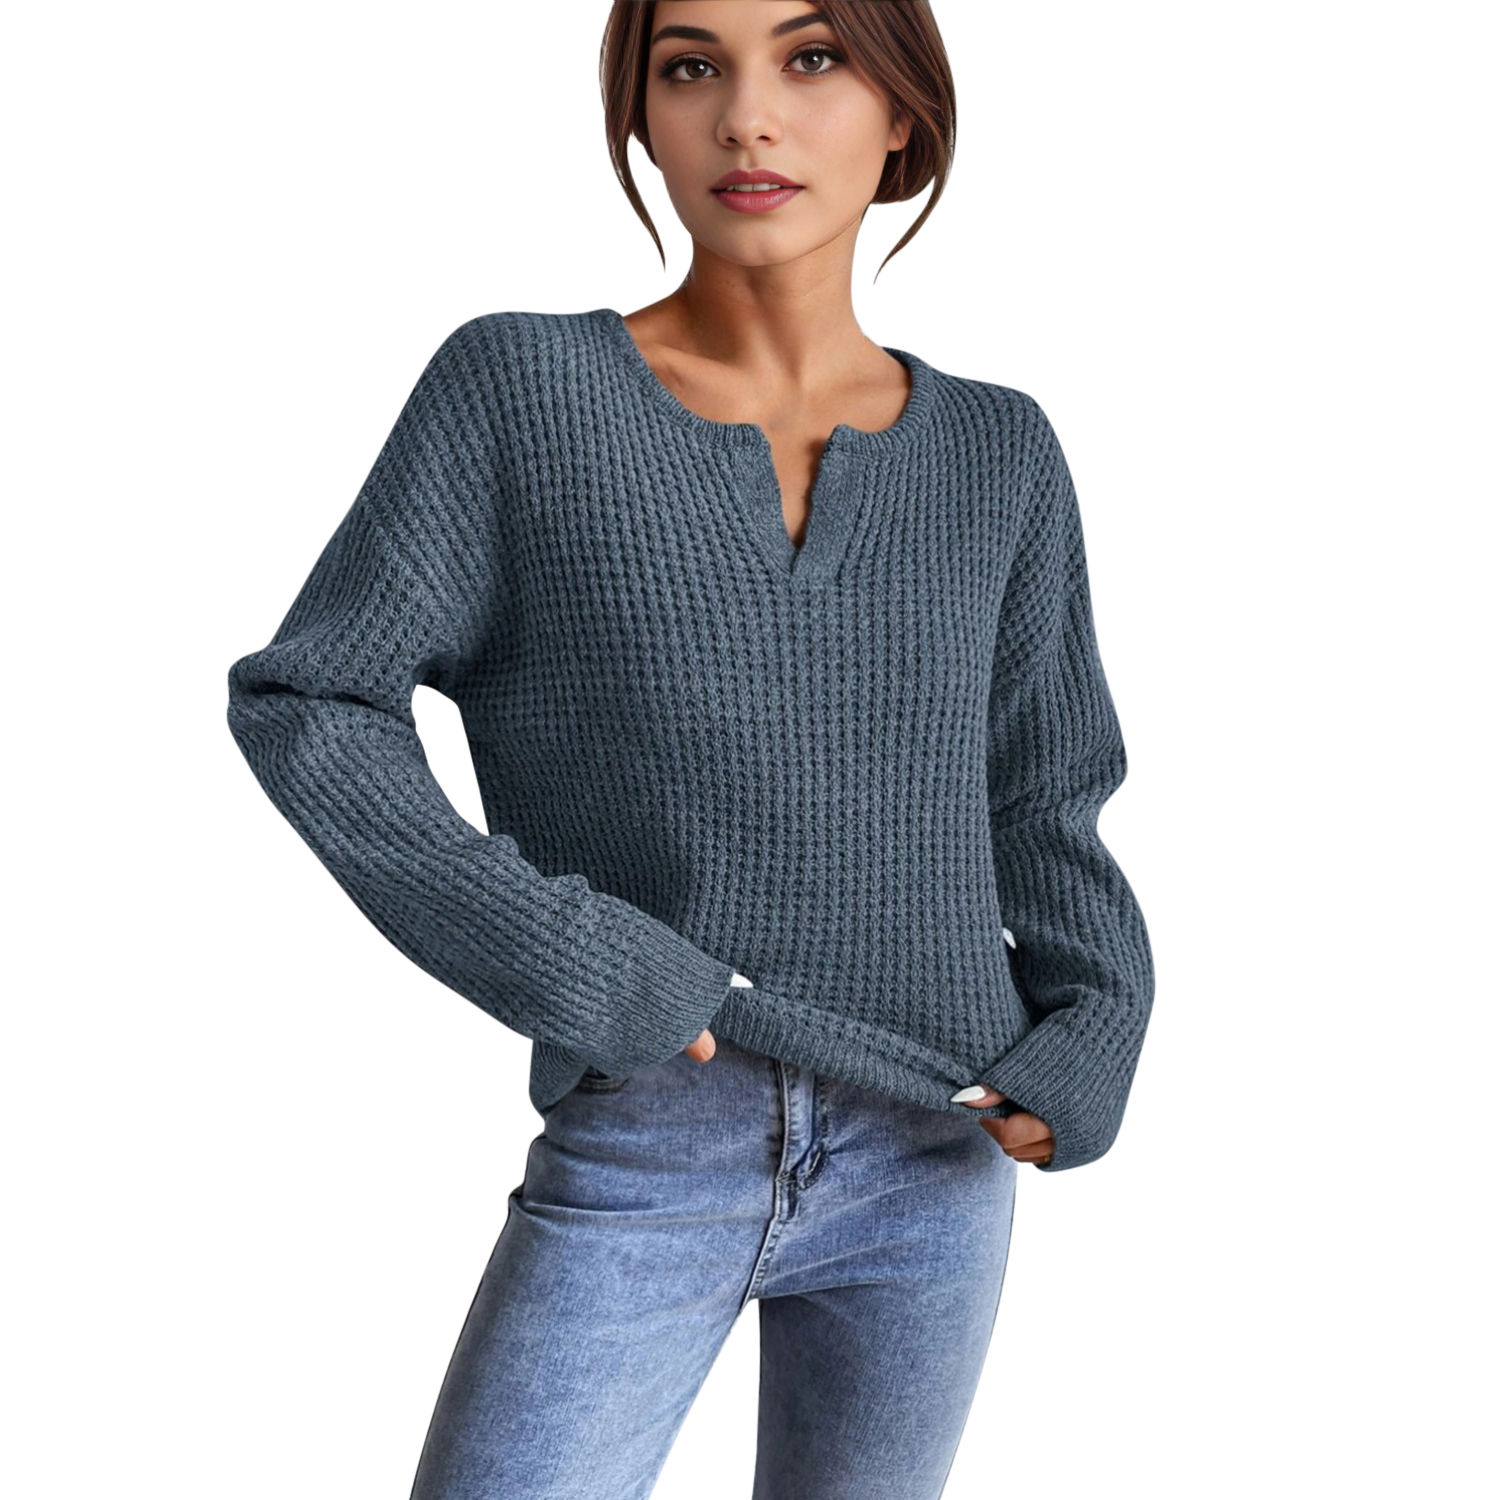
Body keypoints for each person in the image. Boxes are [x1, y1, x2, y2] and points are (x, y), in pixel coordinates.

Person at [225, 3, 1154, 1495]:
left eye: (812, 57)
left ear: (903, 112)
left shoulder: (1000, 452)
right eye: (691, 67)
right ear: (642, 115)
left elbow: (1046, 791)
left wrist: (1098, 1015)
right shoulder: (522, 393)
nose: (746, 116)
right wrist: (568, 953)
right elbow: (312, 702)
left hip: (939, 1147)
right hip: (651, 1133)